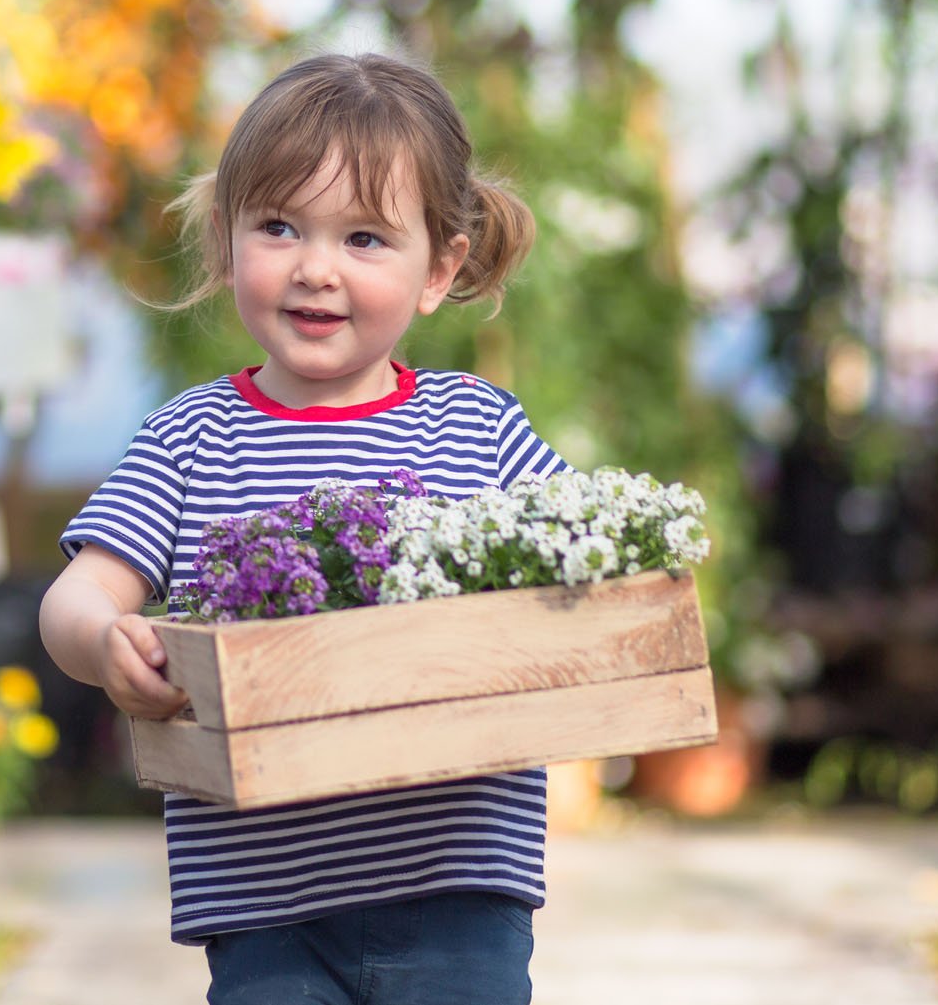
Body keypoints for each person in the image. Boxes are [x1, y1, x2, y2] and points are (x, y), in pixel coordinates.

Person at [39, 52, 569, 1005]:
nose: (315, 267)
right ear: (225, 239)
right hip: (263, 902)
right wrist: (103, 640)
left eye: (365, 238)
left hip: (454, 885)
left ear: (438, 268)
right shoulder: (193, 434)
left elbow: (581, 577)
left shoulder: (478, 428)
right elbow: (78, 592)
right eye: (278, 227)